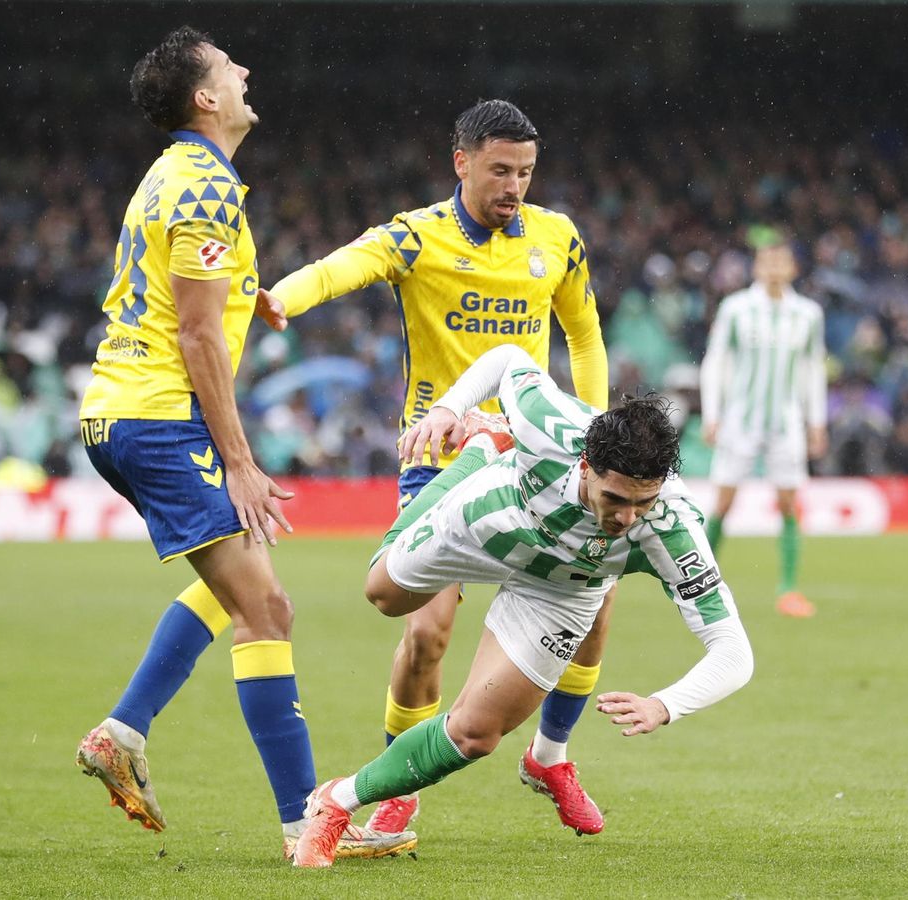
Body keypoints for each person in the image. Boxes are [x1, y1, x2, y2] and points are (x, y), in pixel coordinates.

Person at [70, 26, 411, 860]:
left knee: (237, 590)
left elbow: (188, 300)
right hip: (158, 417)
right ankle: (307, 823)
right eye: (230, 68)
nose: (247, 71)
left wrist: (248, 293)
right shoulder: (204, 189)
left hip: (122, 413)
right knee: (268, 607)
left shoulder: (177, 178)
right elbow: (195, 336)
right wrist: (241, 462)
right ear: (206, 98)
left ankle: (124, 729)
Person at [256, 99, 613, 837]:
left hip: (537, 462)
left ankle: (552, 756)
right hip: (442, 464)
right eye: (500, 170)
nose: (515, 186)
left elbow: (584, 335)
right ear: (462, 162)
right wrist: (281, 298)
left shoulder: (557, 239)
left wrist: (593, 433)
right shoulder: (418, 236)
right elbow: (343, 265)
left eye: (526, 172)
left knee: (595, 611)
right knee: (427, 635)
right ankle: (397, 785)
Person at [289, 345, 755, 868]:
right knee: (382, 595)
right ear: (585, 463)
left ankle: (335, 803)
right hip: (487, 523)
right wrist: (448, 407)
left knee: (475, 734)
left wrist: (666, 705)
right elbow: (509, 359)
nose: (627, 518)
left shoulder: (674, 527)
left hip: (561, 589)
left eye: (641, 503)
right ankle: (482, 449)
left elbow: (734, 651)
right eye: (614, 499)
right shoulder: (549, 425)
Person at [700, 240, 828, 617]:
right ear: (757, 268)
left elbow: (812, 369)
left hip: (785, 422)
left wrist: (815, 421)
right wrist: (713, 413)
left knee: (789, 502)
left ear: (793, 269)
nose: (773, 269)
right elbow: (716, 361)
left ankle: (788, 589)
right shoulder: (737, 309)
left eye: (781, 262)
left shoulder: (807, 314)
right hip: (741, 418)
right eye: (767, 262)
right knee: (724, 500)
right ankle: (699, 583)